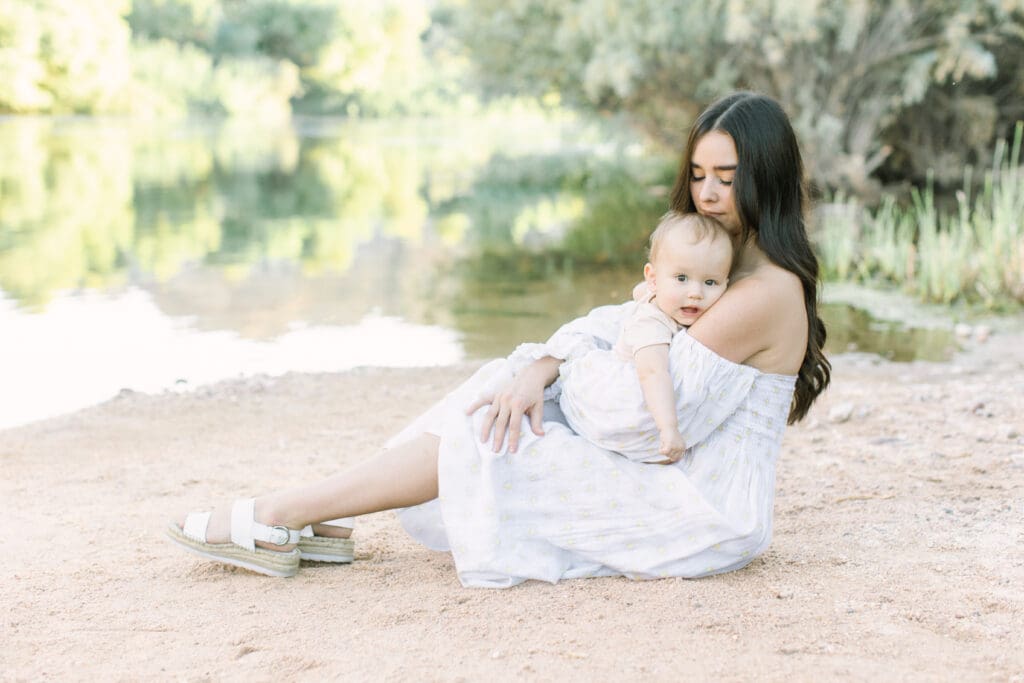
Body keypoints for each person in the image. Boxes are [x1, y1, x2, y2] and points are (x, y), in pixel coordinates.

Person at [167, 91, 831, 586]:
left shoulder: (762, 292)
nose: (708, 193)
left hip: (700, 512)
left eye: (727, 175)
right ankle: (298, 511)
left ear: (764, 175)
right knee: (502, 394)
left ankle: (288, 511)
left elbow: (633, 419)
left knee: (499, 428)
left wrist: (559, 371)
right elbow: (614, 322)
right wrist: (542, 366)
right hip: (667, 475)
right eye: (698, 174)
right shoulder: (719, 261)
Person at [558, 211, 734, 465]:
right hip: (606, 401)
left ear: (726, 284)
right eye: (681, 278)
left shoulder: (660, 293)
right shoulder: (651, 323)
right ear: (653, 278)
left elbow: (638, 290)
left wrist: (664, 285)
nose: (695, 293)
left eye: (710, 282)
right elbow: (652, 373)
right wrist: (669, 429)